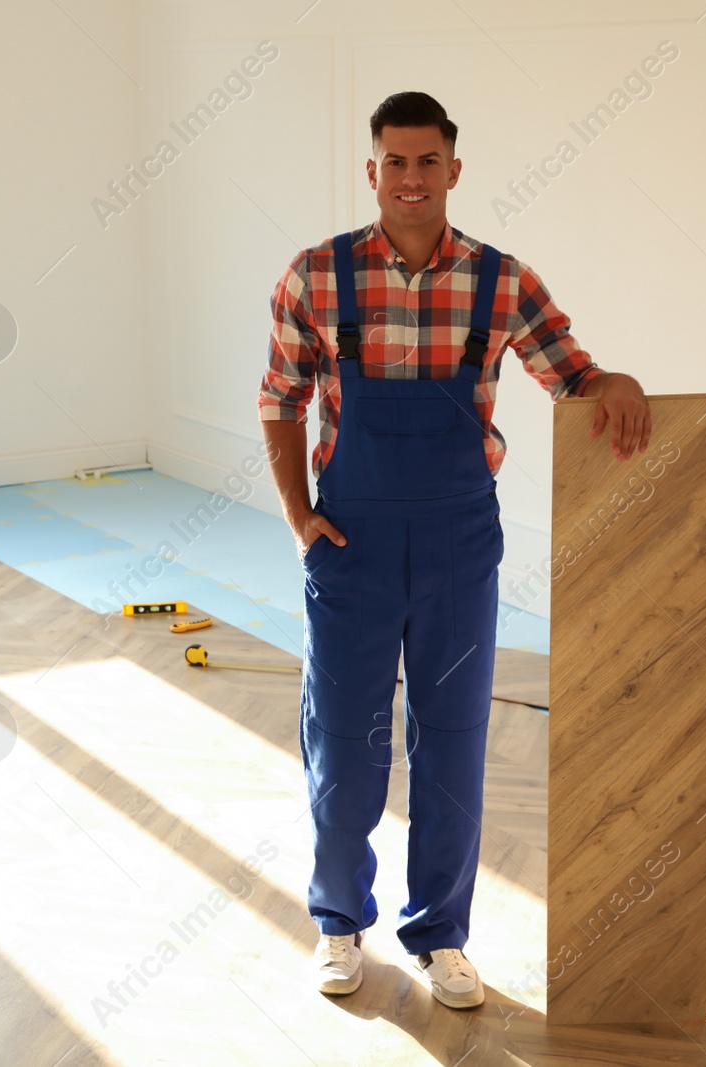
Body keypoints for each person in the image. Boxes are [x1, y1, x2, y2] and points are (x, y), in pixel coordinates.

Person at [257, 91, 652, 1009]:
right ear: (373, 171)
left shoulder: (502, 282)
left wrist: (617, 382)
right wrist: (297, 516)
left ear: (453, 170)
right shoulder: (316, 276)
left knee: (454, 743)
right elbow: (279, 397)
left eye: (426, 161)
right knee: (347, 744)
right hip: (349, 541)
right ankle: (339, 926)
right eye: (394, 162)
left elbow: (574, 378)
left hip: (457, 544)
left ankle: (440, 935)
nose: (410, 178)